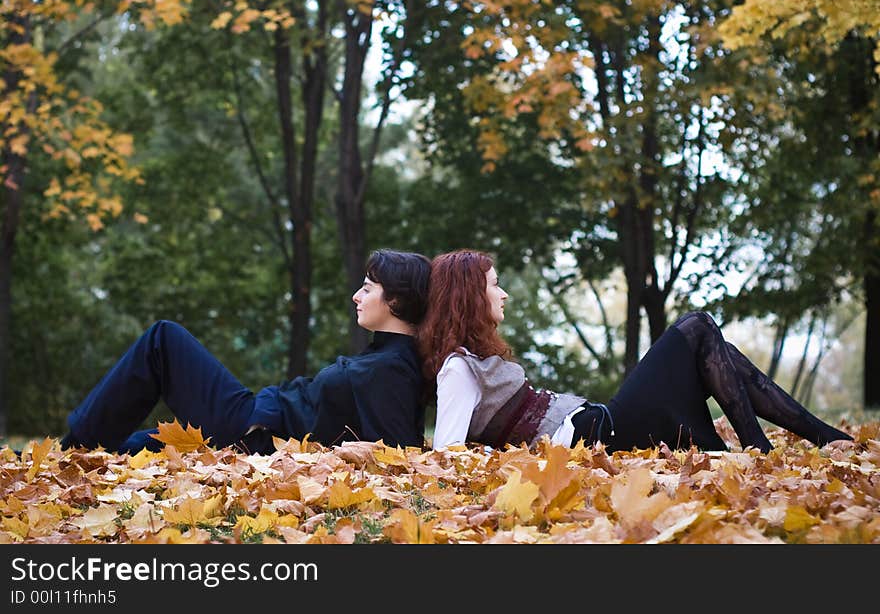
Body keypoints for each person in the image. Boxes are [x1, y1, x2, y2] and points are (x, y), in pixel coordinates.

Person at [418, 249, 853, 454]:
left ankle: (826, 438)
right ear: (469, 297)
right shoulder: (458, 369)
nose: (504, 294)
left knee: (723, 355)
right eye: (495, 286)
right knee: (697, 325)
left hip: (604, 424)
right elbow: (446, 451)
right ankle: (765, 448)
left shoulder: (472, 360)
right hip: (604, 433)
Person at [59, 249, 431, 455]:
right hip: (256, 416)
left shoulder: (393, 369)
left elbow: (397, 453)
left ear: (395, 300)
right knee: (139, 446)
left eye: (367, 289)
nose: (357, 295)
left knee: (164, 339)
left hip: (251, 432)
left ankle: (74, 445)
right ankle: (76, 455)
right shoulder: (383, 355)